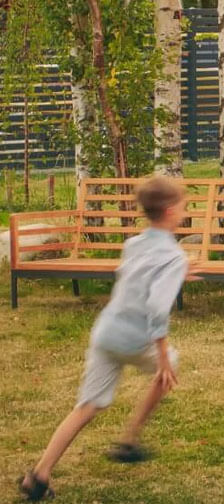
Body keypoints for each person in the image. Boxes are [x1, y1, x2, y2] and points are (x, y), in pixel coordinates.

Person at [19, 178, 190, 502]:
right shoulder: (174, 257)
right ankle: (129, 440)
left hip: (106, 332)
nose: (185, 210)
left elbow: (134, 275)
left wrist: (178, 274)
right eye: (183, 205)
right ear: (170, 211)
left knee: (86, 406)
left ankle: (39, 474)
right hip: (135, 339)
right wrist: (163, 357)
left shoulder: (134, 244)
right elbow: (156, 306)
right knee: (170, 367)